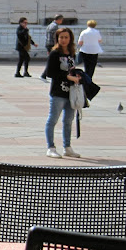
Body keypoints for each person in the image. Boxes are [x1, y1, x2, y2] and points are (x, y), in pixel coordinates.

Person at [45, 27, 82, 159]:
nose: (64, 40)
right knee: (53, 119)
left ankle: (67, 147)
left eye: (66, 37)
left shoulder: (71, 53)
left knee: (68, 120)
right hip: (58, 92)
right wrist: (68, 77)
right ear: (57, 39)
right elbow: (50, 73)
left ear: (70, 38)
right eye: (61, 37)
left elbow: (71, 70)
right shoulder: (55, 53)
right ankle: (51, 147)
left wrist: (77, 77)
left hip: (70, 92)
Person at [40, 14, 63, 80]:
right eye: (61, 20)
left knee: (52, 59)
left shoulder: (49, 25)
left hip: (48, 44)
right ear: (59, 20)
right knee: (53, 60)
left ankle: (45, 74)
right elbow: (55, 37)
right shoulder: (55, 26)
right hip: (52, 44)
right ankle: (44, 75)